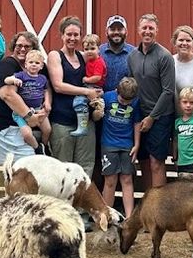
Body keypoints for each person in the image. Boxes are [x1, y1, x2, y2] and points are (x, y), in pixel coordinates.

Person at [46, 16, 100, 173]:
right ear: (62, 35)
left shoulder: (84, 57)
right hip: (63, 121)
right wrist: (86, 92)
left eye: (76, 35)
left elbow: (98, 72)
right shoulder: (55, 56)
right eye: (69, 34)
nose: (72, 38)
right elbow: (58, 85)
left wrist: (97, 91)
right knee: (63, 168)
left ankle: (81, 198)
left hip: (85, 122)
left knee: (85, 167)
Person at [128, 13, 176, 188]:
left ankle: (159, 207)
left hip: (160, 116)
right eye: (144, 28)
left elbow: (168, 91)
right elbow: (131, 85)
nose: (147, 31)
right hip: (139, 115)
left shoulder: (165, 56)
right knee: (144, 162)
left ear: (157, 31)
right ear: (138, 30)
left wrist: (152, 117)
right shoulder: (132, 56)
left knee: (157, 162)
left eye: (151, 28)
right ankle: (149, 202)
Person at [0, 31, 47, 165]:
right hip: (6, 126)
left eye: (27, 46)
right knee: (22, 171)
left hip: (26, 126)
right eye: (19, 45)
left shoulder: (36, 66)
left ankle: (43, 148)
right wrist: (30, 116)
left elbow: (47, 87)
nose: (22, 49)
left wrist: (46, 107)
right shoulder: (7, 65)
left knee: (29, 172)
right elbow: (7, 94)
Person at [100, 75, 142, 218]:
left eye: (128, 101)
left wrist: (136, 144)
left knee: (127, 179)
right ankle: (107, 216)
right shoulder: (107, 97)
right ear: (117, 91)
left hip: (127, 144)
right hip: (109, 143)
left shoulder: (135, 102)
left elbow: (137, 122)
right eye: (123, 100)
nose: (125, 103)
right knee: (110, 180)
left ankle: (129, 217)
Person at [2, 48, 51, 151]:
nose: (34, 65)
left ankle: (44, 145)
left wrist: (47, 102)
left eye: (37, 63)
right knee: (27, 135)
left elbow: (46, 90)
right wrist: (14, 80)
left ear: (41, 66)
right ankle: (36, 148)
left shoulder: (42, 78)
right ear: (26, 64)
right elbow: (6, 80)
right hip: (21, 112)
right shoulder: (21, 75)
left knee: (47, 130)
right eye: (31, 62)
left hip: (38, 109)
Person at [70, 33, 106, 136]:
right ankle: (83, 124)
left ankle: (83, 127)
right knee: (83, 104)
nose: (89, 51)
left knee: (79, 101)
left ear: (99, 49)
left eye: (92, 48)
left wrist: (86, 79)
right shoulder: (89, 60)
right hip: (90, 87)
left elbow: (97, 77)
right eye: (86, 49)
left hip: (94, 87)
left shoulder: (98, 62)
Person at [99, 15, 134, 93]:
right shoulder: (99, 52)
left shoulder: (134, 53)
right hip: (101, 100)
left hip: (126, 101)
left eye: (120, 29)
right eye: (112, 29)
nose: (116, 32)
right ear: (106, 32)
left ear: (126, 32)